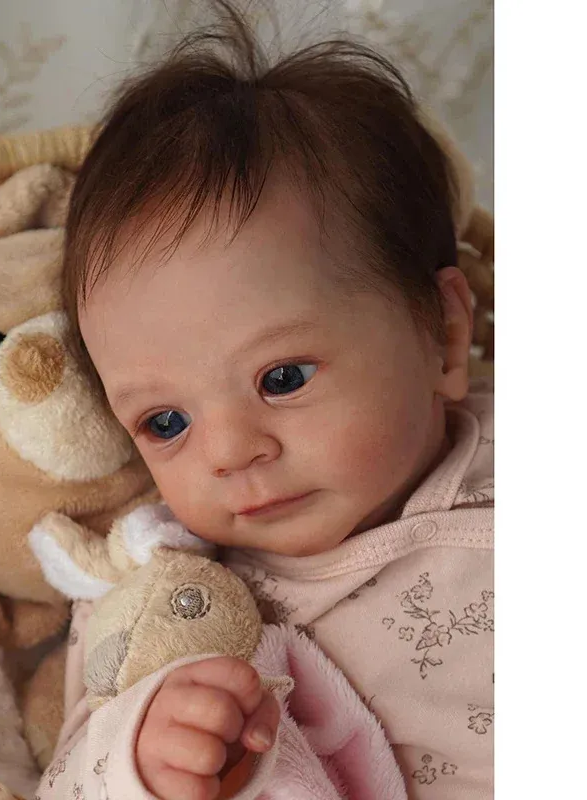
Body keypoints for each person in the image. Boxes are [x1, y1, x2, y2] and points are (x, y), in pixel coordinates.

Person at [39, 4, 493, 798]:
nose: (229, 451)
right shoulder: (167, 591)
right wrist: (144, 752)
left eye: (281, 379)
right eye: (166, 423)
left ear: (444, 336)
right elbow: (64, 776)